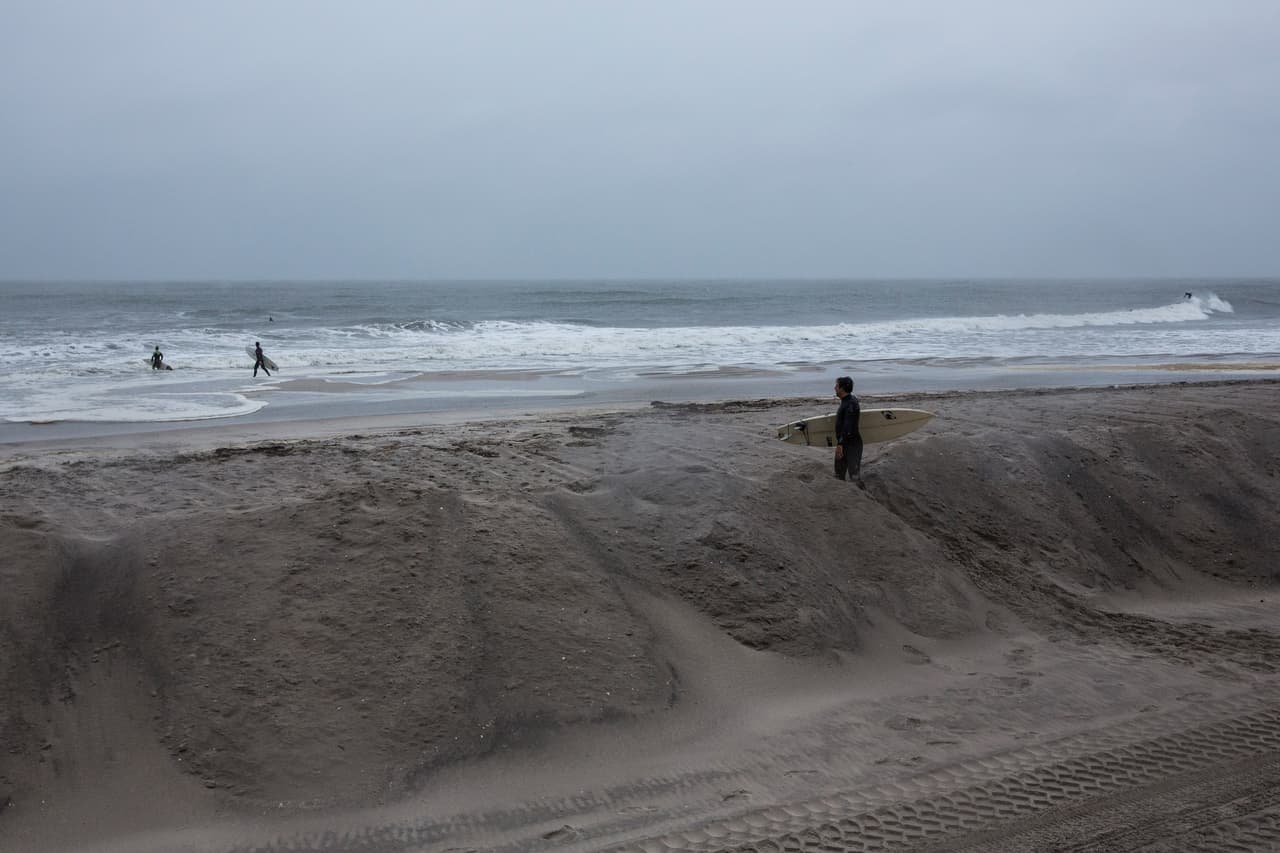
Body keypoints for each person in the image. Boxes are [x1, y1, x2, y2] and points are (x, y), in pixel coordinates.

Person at [833, 375, 864, 488]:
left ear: (842, 388)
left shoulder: (850, 404)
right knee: (838, 475)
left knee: (854, 477)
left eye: (836, 386)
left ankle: (864, 498)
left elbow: (848, 426)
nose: (834, 388)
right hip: (845, 443)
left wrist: (840, 444)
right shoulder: (847, 401)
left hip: (852, 446)